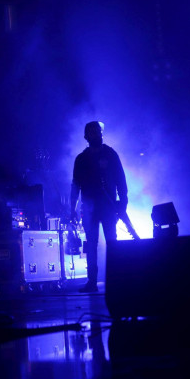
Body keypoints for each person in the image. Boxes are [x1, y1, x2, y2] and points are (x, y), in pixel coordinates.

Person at [70, 121, 128, 293]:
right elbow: (75, 185)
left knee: (112, 242)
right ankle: (92, 281)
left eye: (99, 132)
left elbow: (121, 180)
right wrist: (72, 209)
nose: (98, 135)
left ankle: (116, 279)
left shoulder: (110, 154)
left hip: (108, 206)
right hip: (89, 208)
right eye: (94, 132)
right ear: (86, 136)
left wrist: (122, 204)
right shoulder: (81, 159)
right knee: (91, 245)